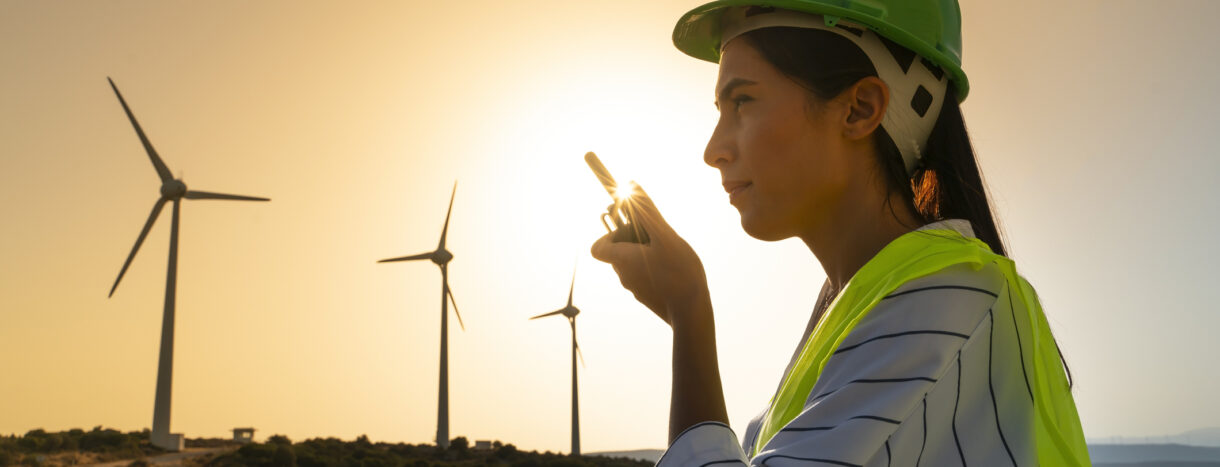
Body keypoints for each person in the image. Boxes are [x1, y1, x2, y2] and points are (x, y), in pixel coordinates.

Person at [590, 1, 1090, 465]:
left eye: (741, 101)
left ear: (860, 109)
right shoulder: (878, 307)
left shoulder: (945, 301)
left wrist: (689, 311)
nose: (714, 148)